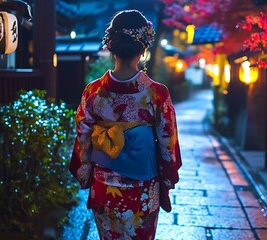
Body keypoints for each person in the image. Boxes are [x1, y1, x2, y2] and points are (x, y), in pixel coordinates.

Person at [69, 10, 182, 240]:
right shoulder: (156, 93)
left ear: (111, 46)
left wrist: (85, 175)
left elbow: (83, 140)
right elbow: (168, 145)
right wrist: (167, 180)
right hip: (143, 189)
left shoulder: (93, 91)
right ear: (143, 48)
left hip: (104, 187)